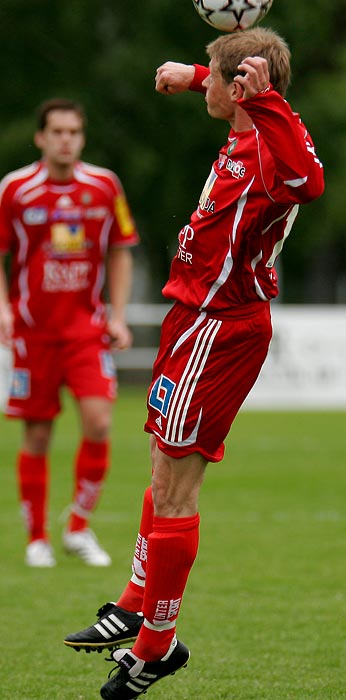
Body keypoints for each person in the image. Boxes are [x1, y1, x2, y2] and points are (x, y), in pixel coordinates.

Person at [63, 27, 324, 700]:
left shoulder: (273, 143)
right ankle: (134, 603)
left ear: (245, 88)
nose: (201, 81)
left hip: (223, 326)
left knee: (178, 487)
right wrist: (197, 75)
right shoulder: (248, 132)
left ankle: (156, 647)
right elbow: (239, 106)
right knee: (161, 466)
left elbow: (308, 180)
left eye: (214, 76)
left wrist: (249, 96)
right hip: (191, 319)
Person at [0, 98, 139, 568]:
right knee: (37, 434)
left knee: (99, 422)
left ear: (82, 137)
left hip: (86, 330)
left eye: (73, 132)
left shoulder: (103, 186)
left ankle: (79, 525)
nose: (66, 140)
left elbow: (121, 249)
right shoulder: (15, 189)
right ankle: (37, 537)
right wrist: (3, 309)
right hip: (33, 332)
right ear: (40, 137)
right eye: (57, 131)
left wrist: (117, 315)